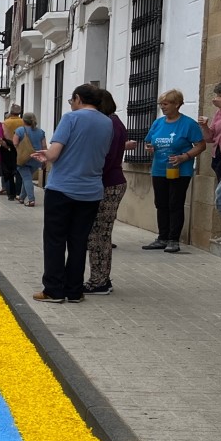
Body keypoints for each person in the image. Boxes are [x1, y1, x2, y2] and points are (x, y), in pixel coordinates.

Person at [30, 84, 113, 302]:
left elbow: (55, 153)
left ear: (77, 98)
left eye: (71, 100)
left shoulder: (70, 118)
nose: (71, 105)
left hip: (63, 188)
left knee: (55, 240)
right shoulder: (107, 122)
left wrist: (44, 155)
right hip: (92, 190)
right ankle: (74, 290)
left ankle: (53, 290)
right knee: (79, 241)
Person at [140, 89, 207, 254]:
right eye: (161, 104)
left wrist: (185, 157)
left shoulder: (188, 124)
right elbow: (148, 142)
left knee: (175, 203)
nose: (162, 107)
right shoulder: (158, 123)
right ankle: (162, 238)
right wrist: (149, 147)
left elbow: (201, 145)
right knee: (161, 203)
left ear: (177, 104)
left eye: (166, 104)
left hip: (180, 170)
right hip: (159, 169)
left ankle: (173, 240)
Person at [83, 91, 128, 295]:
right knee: (100, 233)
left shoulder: (110, 125)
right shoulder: (114, 123)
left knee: (98, 234)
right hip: (110, 182)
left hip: (108, 184)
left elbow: (107, 158)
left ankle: (99, 280)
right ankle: (101, 279)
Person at [12, 112, 46, 206]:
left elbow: (15, 143)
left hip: (23, 158)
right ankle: (22, 197)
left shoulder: (19, 130)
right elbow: (44, 146)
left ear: (23, 120)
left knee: (27, 179)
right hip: (36, 158)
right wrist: (44, 160)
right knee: (27, 177)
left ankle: (31, 200)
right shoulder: (41, 132)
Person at [0, 104, 25, 200]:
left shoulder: (5, 123)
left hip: (8, 149)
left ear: (11, 112)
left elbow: (3, 135)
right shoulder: (23, 122)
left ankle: (10, 193)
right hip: (21, 149)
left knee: (7, 171)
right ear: (19, 113)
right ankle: (19, 191)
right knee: (19, 171)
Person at [201, 81, 221, 183]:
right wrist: (204, 126)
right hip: (218, 156)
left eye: (220, 96)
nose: (217, 98)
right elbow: (209, 138)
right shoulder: (218, 113)